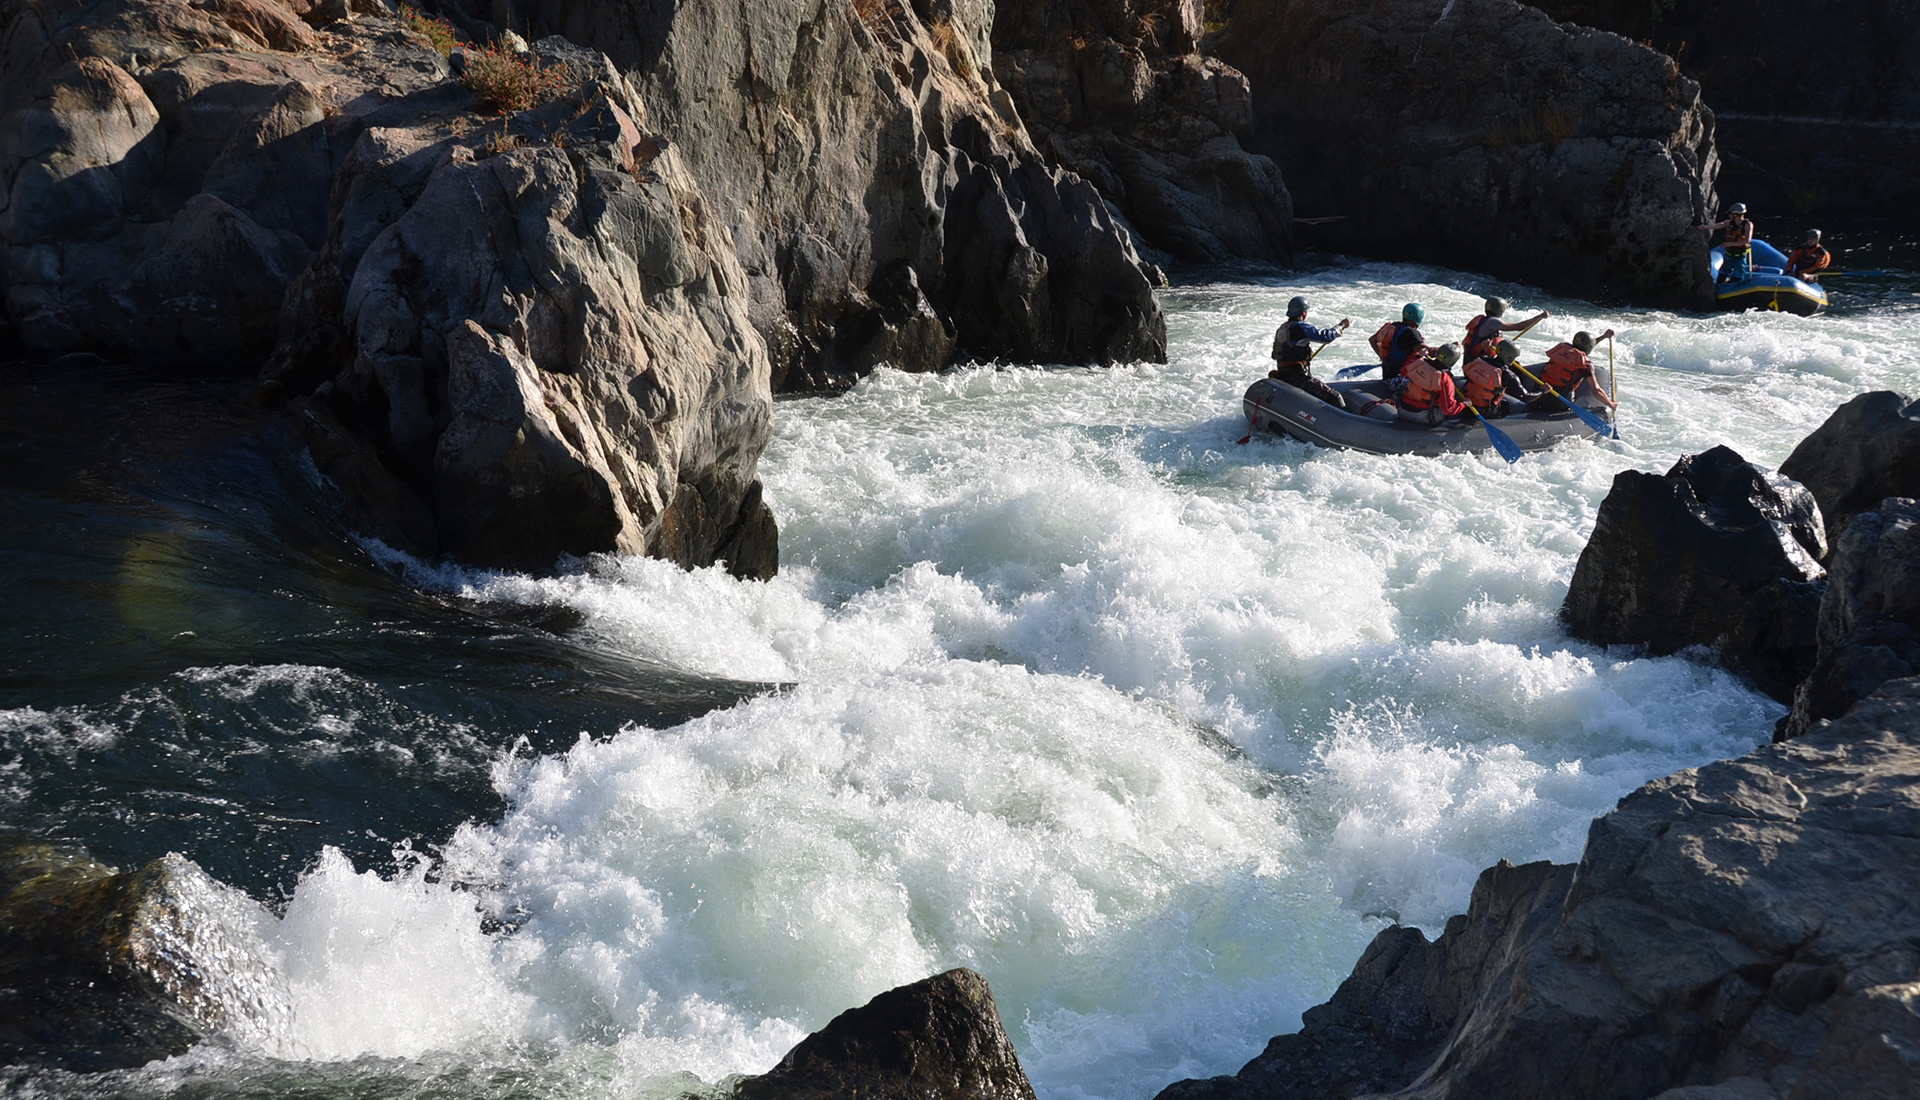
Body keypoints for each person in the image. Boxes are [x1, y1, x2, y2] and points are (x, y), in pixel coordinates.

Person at [1270, 295, 1351, 406]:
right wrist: (1341, 326)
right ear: (1303, 312)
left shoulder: (1282, 328)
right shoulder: (1301, 327)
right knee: (1335, 397)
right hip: (1297, 376)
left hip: (1283, 374)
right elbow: (1326, 336)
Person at [1527, 330, 1618, 413]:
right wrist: (1611, 404)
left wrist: (1604, 336)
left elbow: (1586, 345)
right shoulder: (1585, 365)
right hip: (1559, 400)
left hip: (1540, 391)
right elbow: (1596, 391)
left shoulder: (1562, 349)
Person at [1394, 342, 1468, 424]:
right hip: (1422, 416)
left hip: (1402, 410)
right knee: (1452, 409)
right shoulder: (1445, 379)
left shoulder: (1418, 363)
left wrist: (1419, 357)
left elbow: (1404, 372)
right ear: (1453, 362)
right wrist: (1464, 404)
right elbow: (1448, 409)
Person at [1463, 297, 1550, 362]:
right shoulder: (1493, 322)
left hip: (1470, 361)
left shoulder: (1481, 320)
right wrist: (1540, 316)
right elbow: (1519, 327)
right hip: (1478, 362)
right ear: (1500, 311)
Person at [1365, 302, 1426, 381]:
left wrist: (1382, 357)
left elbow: (1372, 340)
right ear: (1419, 317)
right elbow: (1426, 350)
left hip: (1387, 378)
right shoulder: (1411, 333)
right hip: (1400, 380)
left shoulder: (1392, 327)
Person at [1704, 203, 1755, 283]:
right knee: (1722, 273)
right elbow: (1718, 225)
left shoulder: (1747, 225)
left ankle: (1735, 286)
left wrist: (1730, 244)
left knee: (1738, 274)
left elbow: (1747, 240)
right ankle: (1721, 284)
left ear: (1735, 214)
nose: (1729, 216)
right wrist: (1704, 227)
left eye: (1730, 214)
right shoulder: (1728, 223)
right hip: (1729, 254)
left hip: (1740, 255)